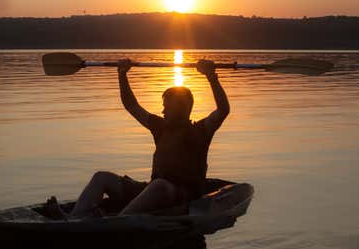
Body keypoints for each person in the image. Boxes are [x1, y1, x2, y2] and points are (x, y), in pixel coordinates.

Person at [46, 58, 229, 219]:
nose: (163, 111)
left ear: (182, 108)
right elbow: (131, 106)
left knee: (160, 185)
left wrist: (211, 76)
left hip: (180, 196)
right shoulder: (160, 127)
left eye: (167, 107)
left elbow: (223, 110)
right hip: (151, 189)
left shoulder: (200, 131)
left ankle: (117, 221)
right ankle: (74, 218)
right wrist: (122, 75)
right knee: (102, 177)